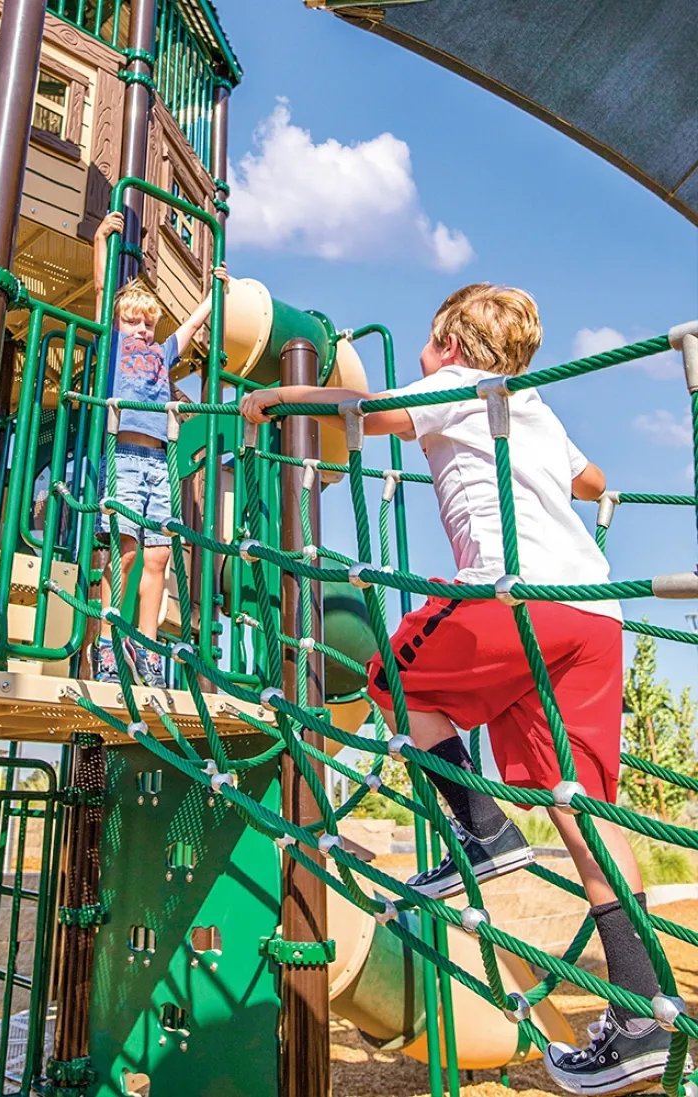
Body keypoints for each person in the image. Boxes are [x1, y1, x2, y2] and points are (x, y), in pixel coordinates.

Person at [239, 283, 688, 1095]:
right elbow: (594, 478)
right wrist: (587, 492)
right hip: (595, 616)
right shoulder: (532, 404)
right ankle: (646, 1016)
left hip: (514, 598)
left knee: (389, 676)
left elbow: (357, 413)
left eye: (425, 338)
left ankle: (481, 832)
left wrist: (273, 397)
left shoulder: (454, 385)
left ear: (449, 340)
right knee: (578, 805)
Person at [91, 211, 226, 686]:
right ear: (120, 324)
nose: (142, 329)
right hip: (124, 460)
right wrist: (100, 243)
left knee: (158, 558)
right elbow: (101, 295)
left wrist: (215, 295)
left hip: (158, 466)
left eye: (147, 322)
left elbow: (187, 329)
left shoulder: (160, 354)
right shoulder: (114, 348)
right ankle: (106, 643)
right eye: (133, 322)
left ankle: (143, 646)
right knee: (124, 553)